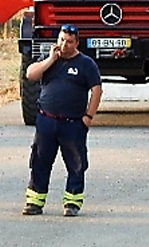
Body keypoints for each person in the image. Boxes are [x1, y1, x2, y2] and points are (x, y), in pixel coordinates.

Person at [21, 23, 102, 217]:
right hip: (46, 121)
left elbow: (96, 89)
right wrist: (50, 59)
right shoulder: (49, 60)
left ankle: (72, 203)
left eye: (69, 42)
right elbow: (31, 74)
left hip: (73, 123)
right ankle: (35, 202)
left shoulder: (86, 64)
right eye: (62, 40)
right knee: (40, 161)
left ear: (77, 43)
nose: (65, 45)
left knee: (76, 164)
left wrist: (89, 116)